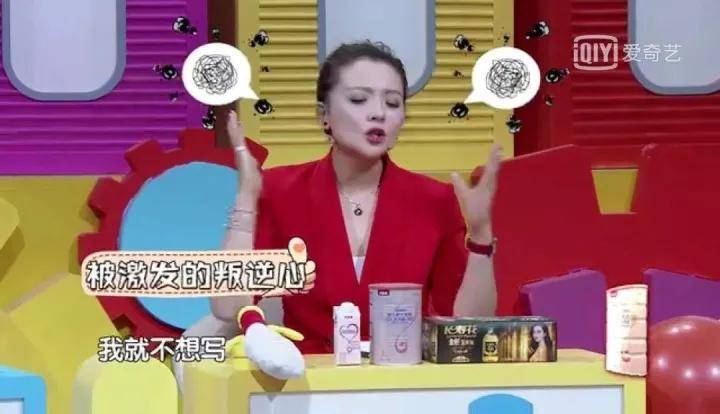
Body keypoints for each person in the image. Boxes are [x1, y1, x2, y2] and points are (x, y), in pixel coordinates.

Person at [183, 40, 501, 355]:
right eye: (359, 99)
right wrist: (246, 196)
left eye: (392, 103)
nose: (378, 113)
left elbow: (467, 327)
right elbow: (228, 307)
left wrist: (481, 236)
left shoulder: (434, 199)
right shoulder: (282, 190)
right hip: (310, 375)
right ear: (324, 115)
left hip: (401, 374)